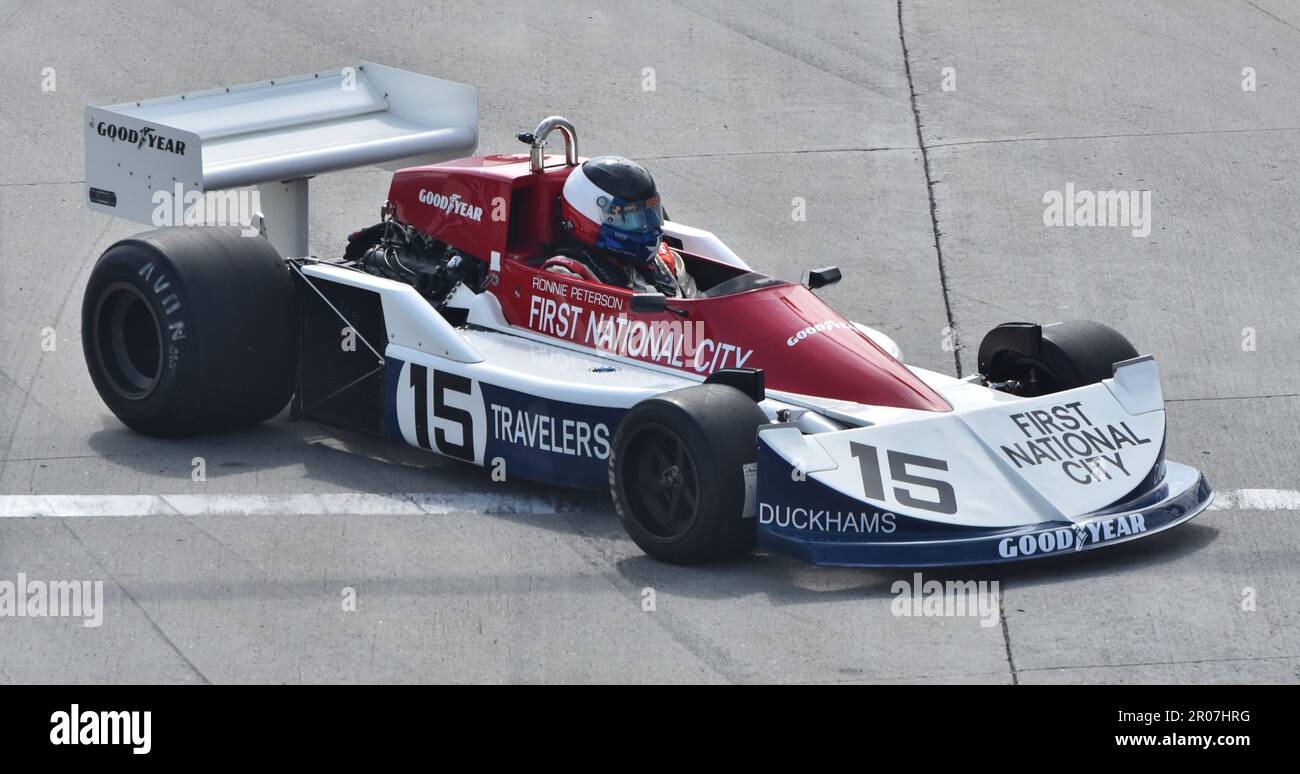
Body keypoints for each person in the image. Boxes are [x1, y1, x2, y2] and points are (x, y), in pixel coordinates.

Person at [544, 155, 697, 298]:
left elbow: (700, 310)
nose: (646, 228)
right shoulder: (565, 276)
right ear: (589, 216)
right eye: (631, 219)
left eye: (648, 216)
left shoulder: (666, 262)